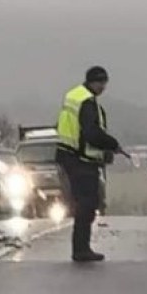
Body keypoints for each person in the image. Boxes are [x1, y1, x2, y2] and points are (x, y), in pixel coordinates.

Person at [56, 66, 128, 262]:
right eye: (102, 83)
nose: (104, 87)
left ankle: (81, 247)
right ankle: (81, 249)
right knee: (87, 204)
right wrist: (112, 144)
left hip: (69, 156)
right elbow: (91, 133)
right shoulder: (87, 102)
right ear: (94, 82)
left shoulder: (74, 95)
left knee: (84, 203)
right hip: (80, 160)